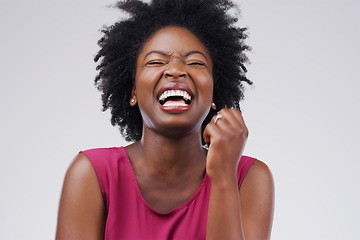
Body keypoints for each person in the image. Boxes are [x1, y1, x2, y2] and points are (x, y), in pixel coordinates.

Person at [56, 0, 274, 239]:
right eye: (156, 61)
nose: (175, 70)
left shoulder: (249, 177)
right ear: (133, 93)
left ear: (214, 94)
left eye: (195, 63)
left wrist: (223, 175)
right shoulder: (92, 174)